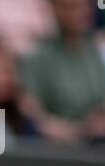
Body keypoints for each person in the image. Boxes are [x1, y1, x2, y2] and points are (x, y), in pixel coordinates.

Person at [21, 0, 105, 142]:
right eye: (69, 7)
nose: (78, 13)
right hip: (58, 145)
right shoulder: (39, 56)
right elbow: (31, 111)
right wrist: (73, 130)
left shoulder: (98, 49)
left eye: (83, 6)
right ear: (54, 10)